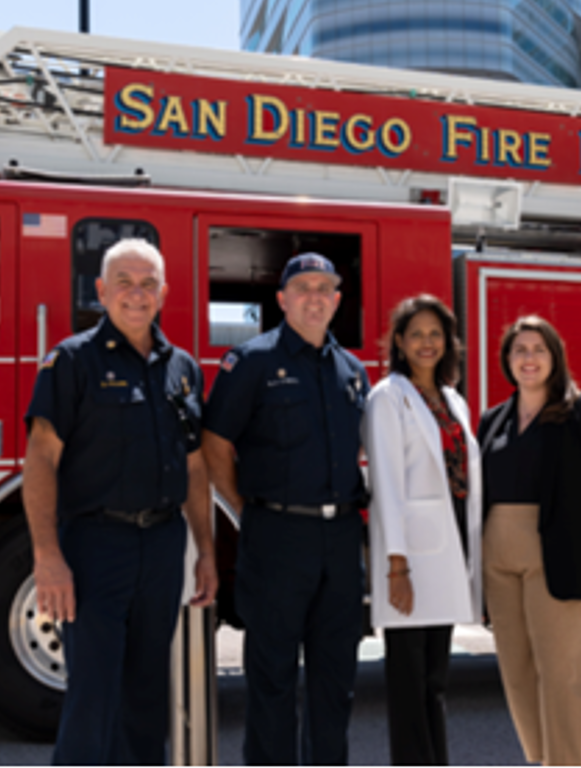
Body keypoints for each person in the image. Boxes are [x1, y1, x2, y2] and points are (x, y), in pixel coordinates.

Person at [22, 238, 218, 765]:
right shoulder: (71, 361)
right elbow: (41, 459)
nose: (137, 294)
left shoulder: (183, 368)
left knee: (147, 698)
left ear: (164, 293)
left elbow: (195, 467)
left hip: (162, 544)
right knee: (93, 697)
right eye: (125, 283)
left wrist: (205, 551)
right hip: (95, 547)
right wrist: (47, 556)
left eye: (148, 284)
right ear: (102, 291)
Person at [201, 252, 369, 765]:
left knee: (335, 681)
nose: (314, 297)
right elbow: (214, 442)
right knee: (272, 677)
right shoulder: (251, 361)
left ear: (336, 300)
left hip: (341, 540)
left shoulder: (352, 370)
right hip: (276, 537)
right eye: (302, 288)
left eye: (324, 288)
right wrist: (246, 508)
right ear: (282, 299)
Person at [477, 315, 581, 767]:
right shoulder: (492, 420)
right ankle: (543, 760)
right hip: (497, 556)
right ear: (507, 360)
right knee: (517, 671)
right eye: (519, 350)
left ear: (555, 357)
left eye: (538, 349)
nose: (529, 358)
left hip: (560, 555)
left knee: (564, 673)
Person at [363, 295, 483, 766]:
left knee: (435, 680)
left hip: (449, 547)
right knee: (409, 683)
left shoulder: (453, 399)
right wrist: (396, 566)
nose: (426, 343)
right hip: (410, 557)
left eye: (436, 334)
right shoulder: (387, 397)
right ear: (399, 342)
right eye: (416, 335)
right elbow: (386, 484)